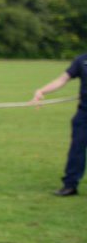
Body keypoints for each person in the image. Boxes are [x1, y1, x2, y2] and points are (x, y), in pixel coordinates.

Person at [31, 52, 87, 196]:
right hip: (84, 114)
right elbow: (63, 79)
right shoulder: (82, 60)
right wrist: (41, 91)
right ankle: (70, 185)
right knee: (77, 149)